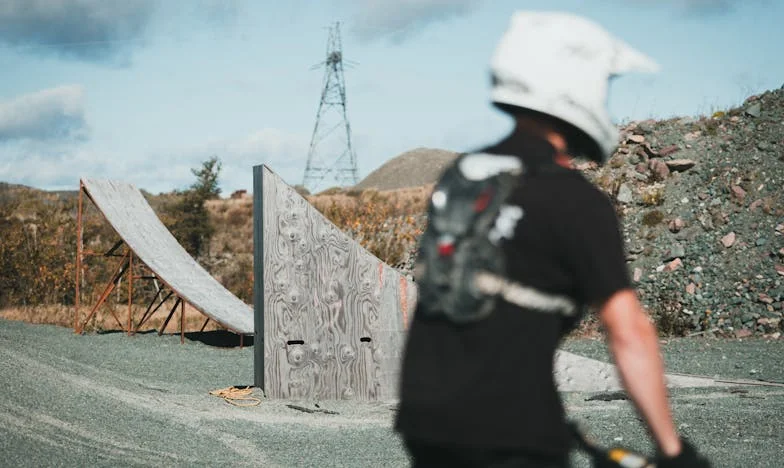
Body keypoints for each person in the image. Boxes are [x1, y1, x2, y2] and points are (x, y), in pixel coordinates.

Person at [394, 11, 711, 468]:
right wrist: (673, 450)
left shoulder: (463, 176)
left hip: (426, 420)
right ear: (575, 84)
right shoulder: (575, 200)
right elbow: (628, 333)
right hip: (514, 433)